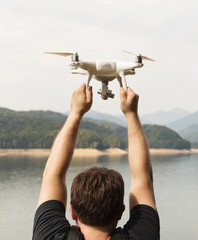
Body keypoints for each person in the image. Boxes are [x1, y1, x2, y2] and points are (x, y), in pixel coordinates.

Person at [32, 83, 160, 240]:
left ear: (72, 211)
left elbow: (52, 174)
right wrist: (131, 113)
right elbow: (143, 177)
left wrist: (75, 112)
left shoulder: (49, 236)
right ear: (121, 212)